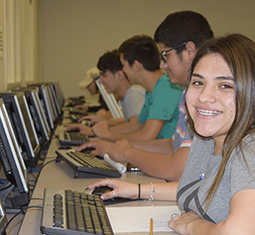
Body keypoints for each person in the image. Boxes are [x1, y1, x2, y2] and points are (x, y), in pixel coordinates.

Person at [88, 34, 255, 235]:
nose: (203, 96)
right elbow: (199, 188)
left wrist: (191, 225)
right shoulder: (206, 138)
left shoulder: (249, 149)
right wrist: (137, 190)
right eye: (198, 82)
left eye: (225, 85)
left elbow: (238, 232)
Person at [77, 11, 214, 181]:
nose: (162, 65)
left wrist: (124, 150)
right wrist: (118, 146)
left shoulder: (206, 99)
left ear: (189, 50)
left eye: (166, 55)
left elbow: (175, 169)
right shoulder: (187, 93)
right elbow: (173, 146)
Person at [66, 35, 184, 142]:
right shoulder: (153, 90)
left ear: (136, 66)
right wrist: (96, 132)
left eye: (124, 66)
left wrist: (107, 135)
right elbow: (137, 125)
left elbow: (146, 136)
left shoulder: (166, 88)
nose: (123, 71)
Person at [78, 49, 146, 126]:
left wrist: (103, 131)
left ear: (119, 75)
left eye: (104, 75)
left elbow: (137, 129)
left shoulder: (134, 95)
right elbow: (131, 123)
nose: (100, 81)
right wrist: (106, 121)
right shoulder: (128, 94)